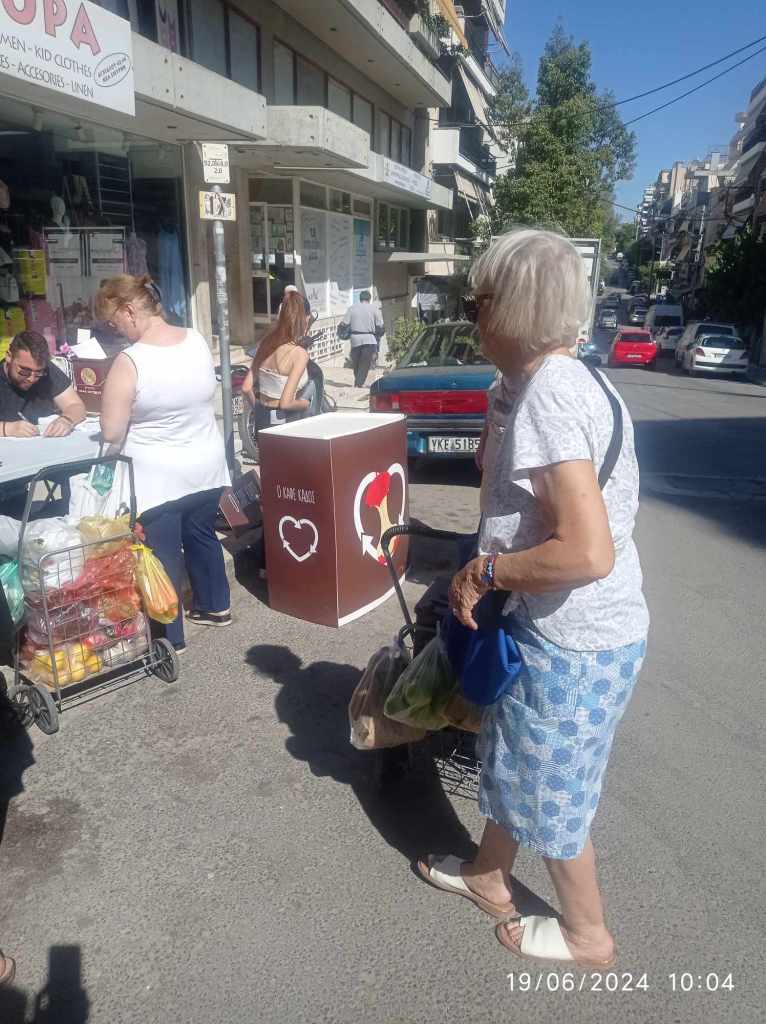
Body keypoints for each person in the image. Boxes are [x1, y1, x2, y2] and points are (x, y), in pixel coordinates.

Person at [417, 229, 649, 968]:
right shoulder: (562, 380)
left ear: (511, 307)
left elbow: (587, 551)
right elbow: (498, 476)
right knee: (521, 761)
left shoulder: (551, 393)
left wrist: (484, 572)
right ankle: (489, 876)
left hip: (572, 637)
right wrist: (501, 401)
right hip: (588, 628)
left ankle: (588, 934)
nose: (470, 316)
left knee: (554, 792)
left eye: (477, 302)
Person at [97, 274, 231, 653]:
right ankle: (216, 606)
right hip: (205, 463)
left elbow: (111, 431)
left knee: (163, 554)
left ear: (129, 310)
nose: (117, 330)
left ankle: (170, 638)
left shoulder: (130, 361)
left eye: (115, 322)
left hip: (159, 476)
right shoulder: (196, 340)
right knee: (202, 534)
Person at [241, 290, 316, 427]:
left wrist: (257, 410)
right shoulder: (299, 354)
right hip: (286, 425)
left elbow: (246, 387)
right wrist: (305, 404)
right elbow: (286, 403)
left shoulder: (265, 344)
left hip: (263, 422)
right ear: (305, 319)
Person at [0, 331, 86, 438]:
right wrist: (8, 429)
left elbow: (76, 405)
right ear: (9, 356)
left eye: (38, 373)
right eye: (24, 371)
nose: (31, 379)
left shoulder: (47, 370)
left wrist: (66, 420)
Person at [340, 291, 384, 387]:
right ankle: (359, 384)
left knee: (356, 362)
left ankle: (358, 382)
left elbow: (344, 323)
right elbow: (380, 325)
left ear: (360, 298)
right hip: (369, 339)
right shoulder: (374, 309)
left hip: (355, 339)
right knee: (365, 363)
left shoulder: (352, 308)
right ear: (369, 299)